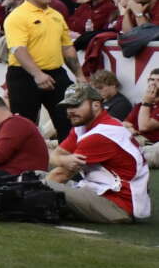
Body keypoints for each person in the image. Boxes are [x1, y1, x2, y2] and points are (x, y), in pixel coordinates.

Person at [45, 82, 152, 223]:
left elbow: (61, 174)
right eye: (67, 106)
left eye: (76, 105)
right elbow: (56, 155)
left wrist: (38, 190)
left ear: (96, 105)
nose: (70, 111)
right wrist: (64, 160)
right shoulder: (84, 126)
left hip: (118, 205)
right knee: (35, 176)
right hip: (100, 191)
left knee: (43, 186)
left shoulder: (101, 134)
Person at [3, 0, 79, 132]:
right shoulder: (17, 16)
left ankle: (67, 154)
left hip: (56, 73)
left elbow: (67, 47)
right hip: (24, 75)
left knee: (68, 120)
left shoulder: (56, 15)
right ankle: (24, 156)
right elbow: (18, 49)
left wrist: (80, 76)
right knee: (24, 125)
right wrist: (37, 74)